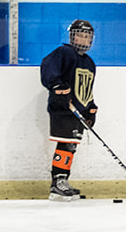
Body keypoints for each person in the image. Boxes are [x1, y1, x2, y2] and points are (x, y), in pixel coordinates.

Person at [39, 19, 97, 201]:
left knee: (70, 146)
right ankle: (58, 182)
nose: (84, 39)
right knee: (65, 145)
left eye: (87, 36)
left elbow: (85, 88)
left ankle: (62, 181)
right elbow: (48, 67)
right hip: (63, 108)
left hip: (77, 110)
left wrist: (91, 108)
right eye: (80, 34)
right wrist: (57, 85)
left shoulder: (89, 63)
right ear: (72, 36)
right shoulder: (64, 52)